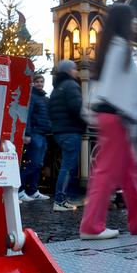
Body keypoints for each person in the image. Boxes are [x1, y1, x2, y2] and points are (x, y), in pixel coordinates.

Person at [80, 4, 137, 240]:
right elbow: (122, 90)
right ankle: (91, 225)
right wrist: (133, 120)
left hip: (110, 115)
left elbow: (104, 87)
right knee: (107, 171)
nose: (136, 24)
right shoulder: (120, 49)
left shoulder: (110, 49)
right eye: (133, 20)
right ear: (125, 22)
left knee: (128, 172)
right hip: (117, 117)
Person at [48, 59, 86, 211]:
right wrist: (85, 123)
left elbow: (50, 110)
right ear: (69, 70)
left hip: (60, 131)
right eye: (75, 69)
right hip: (70, 131)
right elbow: (77, 108)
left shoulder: (56, 88)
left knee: (67, 165)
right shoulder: (71, 85)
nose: (77, 71)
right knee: (68, 166)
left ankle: (64, 198)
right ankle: (60, 200)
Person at [19, 73, 51, 201]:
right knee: (32, 164)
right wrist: (27, 134)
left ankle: (33, 190)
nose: (40, 84)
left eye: (42, 82)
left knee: (38, 164)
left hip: (43, 134)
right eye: (37, 81)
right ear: (33, 83)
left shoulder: (44, 98)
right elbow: (28, 116)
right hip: (35, 134)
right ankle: (20, 190)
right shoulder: (32, 97)